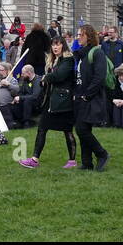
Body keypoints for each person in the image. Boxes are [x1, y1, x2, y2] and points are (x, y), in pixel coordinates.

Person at [18, 36, 78, 169]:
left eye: (58, 44)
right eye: (53, 45)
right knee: (42, 128)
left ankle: (72, 161)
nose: (55, 47)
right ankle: (34, 159)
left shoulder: (68, 60)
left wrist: (45, 77)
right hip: (51, 101)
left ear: (63, 45)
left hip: (64, 102)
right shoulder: (53, 61)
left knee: (67, 131)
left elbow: (59, 76)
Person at [72, 26, 110, 170]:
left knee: (82, 129)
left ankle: (102, 154)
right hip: (81, 96)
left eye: (81, 35)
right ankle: (87, 162)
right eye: (78, 34)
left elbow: (99, 77)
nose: (78, 37)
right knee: (83, 129)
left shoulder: (97, 52)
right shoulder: (81, 54)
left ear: (89, 36)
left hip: (91, 97)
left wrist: (87, 95)